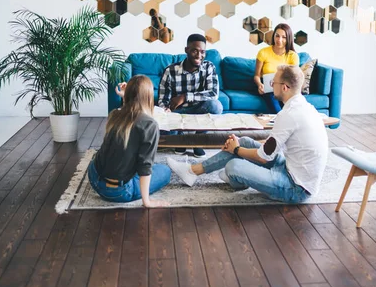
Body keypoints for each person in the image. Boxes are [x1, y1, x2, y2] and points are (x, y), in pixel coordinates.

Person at [167, 65, 328, 203]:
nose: (271, 85)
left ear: (284, 87)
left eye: (274, 82)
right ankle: (192, 172)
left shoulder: (288, 115)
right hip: (290, 169)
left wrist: (235, 150)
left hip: (296, 187)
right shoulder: (305, 107)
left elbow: (264, 157)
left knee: (233, 165)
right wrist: (239, 145)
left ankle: (237, 178)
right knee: (244, 140)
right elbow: (274, 145)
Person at [88, 75, 170, 207]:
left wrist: (126, 96)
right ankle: (141, 195)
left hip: (95, 178)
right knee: (165, 171)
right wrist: (147, 202)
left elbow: (130, 115)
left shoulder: (115, 114)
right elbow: (145, 166)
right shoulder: (150, 125)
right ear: (149, 97)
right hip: (119, 192)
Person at [159, 33, 223, 158]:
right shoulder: (170, 71)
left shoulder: (209, 67)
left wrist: (184, 96)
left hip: (199, 110)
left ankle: (197, 139)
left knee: (216, 106)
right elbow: (163, 99)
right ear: (186, 50)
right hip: (177, 112)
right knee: (159, 130)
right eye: (195, 51)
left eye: (203, 52)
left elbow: (213, 94)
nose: (199, 55)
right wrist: (165, 109)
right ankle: (180, 138)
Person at [253, 24, 299, 114]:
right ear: (273, 36)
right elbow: (256, 76)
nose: (279, 40)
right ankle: (281, 121)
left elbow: (295, 79)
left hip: (285, 88)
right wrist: (259, 85)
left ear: (288, 39)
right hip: (268, 88)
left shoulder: (293, 56)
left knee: (290, 108)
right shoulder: (263, 52)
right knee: (278, 111)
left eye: (284, 37)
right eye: (277, 36)